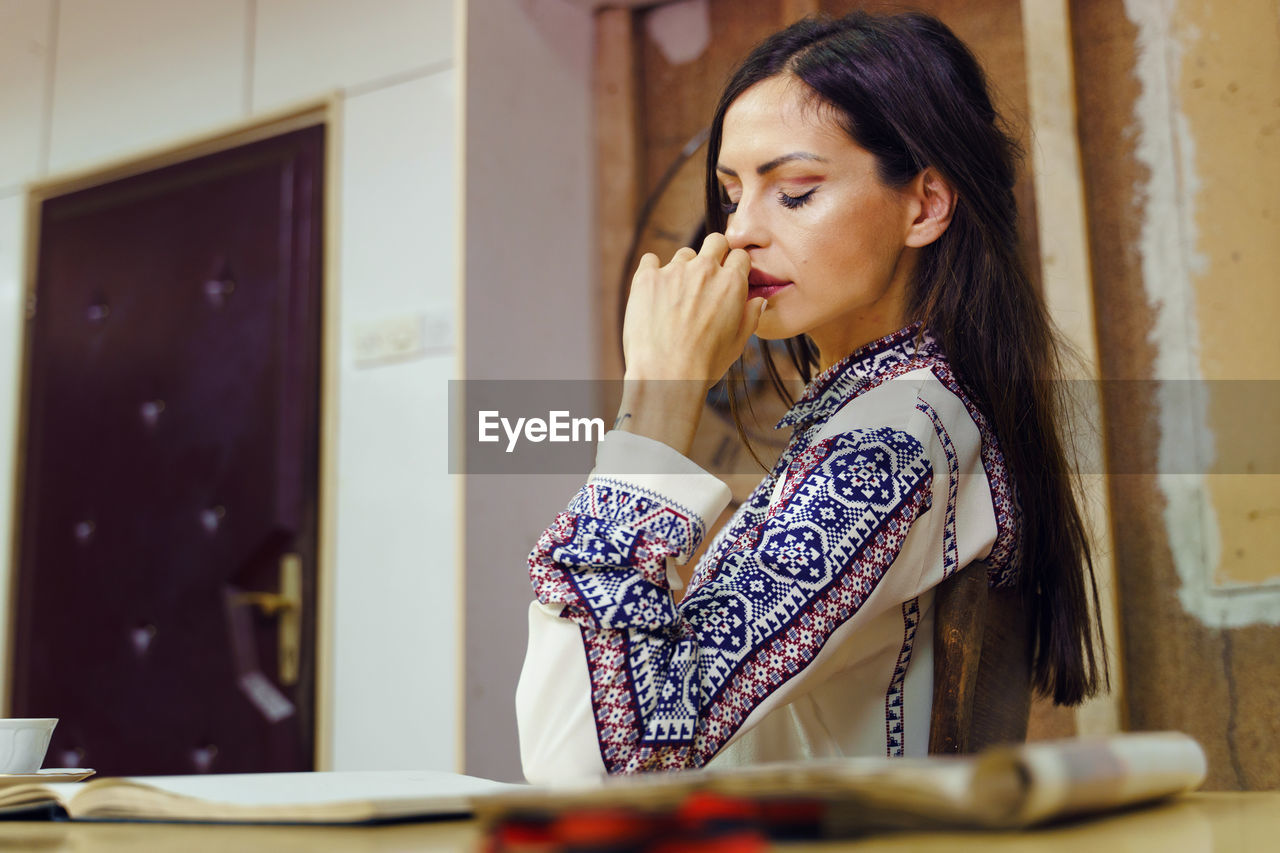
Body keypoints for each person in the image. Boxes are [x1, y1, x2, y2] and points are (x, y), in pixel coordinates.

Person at [516, 10, 1106, 782]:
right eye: (731, 195)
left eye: (794, 192)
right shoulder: (901, 415)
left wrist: (657, 397)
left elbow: (598, 769)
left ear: (925, 204)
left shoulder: (894, 440)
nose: (738, 234)